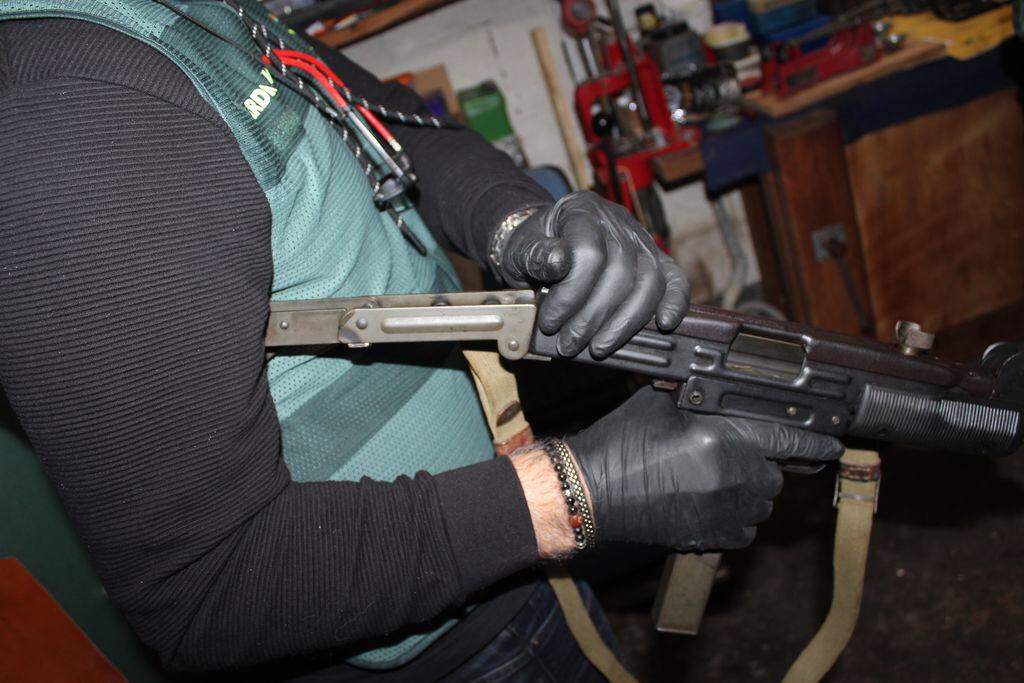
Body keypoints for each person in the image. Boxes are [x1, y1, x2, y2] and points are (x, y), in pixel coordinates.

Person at [0, 1, 843, 680]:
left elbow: (369, 111)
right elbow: (206, 587)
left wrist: (517, 220)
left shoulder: (166, 15)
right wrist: (579, 490)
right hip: (434, 649)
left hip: (498, 545)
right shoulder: (59, 119)